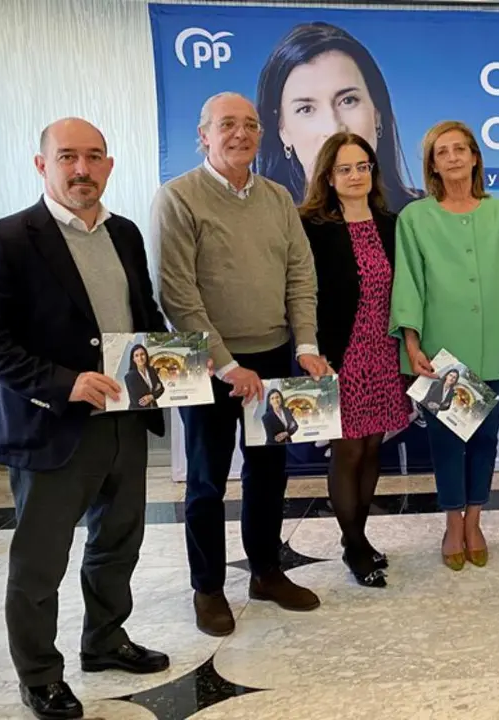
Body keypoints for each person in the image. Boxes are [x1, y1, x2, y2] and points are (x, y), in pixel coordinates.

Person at [0, 118, 170, 720]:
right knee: (40, 561)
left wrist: (176, 363)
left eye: (93, 157)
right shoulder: (4, 239)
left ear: (109, 165)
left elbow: (144, 314)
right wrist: (65, 384)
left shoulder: (127, 233)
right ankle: (38, 674)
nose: (81, 169)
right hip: (53, 427)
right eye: (68, 157)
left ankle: (105, 641)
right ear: (43, 165)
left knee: (119, 541)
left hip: (125, 419)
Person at [152, 92, 332, 637]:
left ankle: (266, 571)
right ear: (203, 135)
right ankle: (207, 587)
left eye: (250, 125)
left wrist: (305, 344)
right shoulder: (177, 197)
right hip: (204, 363)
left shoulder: (278, 198)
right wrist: (226, 365)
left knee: (269, 473)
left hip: (275, 354)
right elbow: (176, 293)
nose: (240, 134)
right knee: (205, 480)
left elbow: (301, 274)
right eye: (227, 124)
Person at [390, 120, 499, 571]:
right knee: (445, 441)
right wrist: (411, 342)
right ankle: (451, 523)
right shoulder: (416, 218)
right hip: (442, 353)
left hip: (495, 343)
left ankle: (475, 519)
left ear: (476, 156)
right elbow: (409, 285)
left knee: (485, 437)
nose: (454, 157)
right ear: (433, 165)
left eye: (462, 149)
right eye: (443, 152)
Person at [301, 131, 412, 589]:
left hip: (384, 352)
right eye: (344, 169)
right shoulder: (313, 226)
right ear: (328, 176)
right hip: (340, 356)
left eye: (362, 166)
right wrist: (312, 351)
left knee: (371, 448)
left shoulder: (390, 222)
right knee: (348, 449)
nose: (355, 176)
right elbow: (301, 293)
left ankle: (359, 537)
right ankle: (353, 544)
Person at [257, 21, 420, 213]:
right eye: (306, 109)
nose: (334, 129)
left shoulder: (420, 216)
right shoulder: (271, 224)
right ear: (282, 129)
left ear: (377, 113)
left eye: (348, 100)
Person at [125, 343, 165, 410]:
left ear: (146, 356)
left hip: (154, 407)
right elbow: (138, 401)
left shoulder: (152, 370)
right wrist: (155, 393)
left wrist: (151, 396)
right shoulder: (129, 377)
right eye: (136, 355)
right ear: (133, 359)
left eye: (142, 354)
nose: (140, 358)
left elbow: (161, 389)